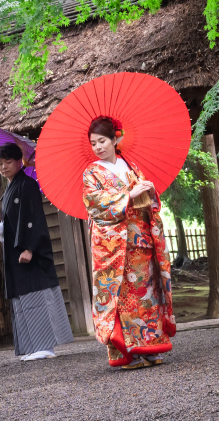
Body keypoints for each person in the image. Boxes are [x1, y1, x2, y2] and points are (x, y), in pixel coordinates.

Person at [82, 116, 176, 369]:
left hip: (141, 241)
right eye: (93, 143)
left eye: (102, 141)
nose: (98, 147)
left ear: (116, 139)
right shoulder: (92, 172)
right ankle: (129, 352)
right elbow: (94, 204)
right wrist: (127, 194)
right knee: (123, 298)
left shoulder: (131, 166)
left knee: (147, 294)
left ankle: (151, 346)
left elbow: (149, 203)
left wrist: (148, 191)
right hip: (115, 249)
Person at [0, 143, 73, 360]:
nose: (4, 167)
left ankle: (46, 346)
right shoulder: (11, 188)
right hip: (16, 254)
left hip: (28, 252)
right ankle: (34, 346)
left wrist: (29, 247)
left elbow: (33, 219)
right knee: (24, 298)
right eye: (0, 163)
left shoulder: (28, 185)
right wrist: (0, 218)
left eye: (8, 162)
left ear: (19, 162)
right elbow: (15, 220)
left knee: (36, 296)